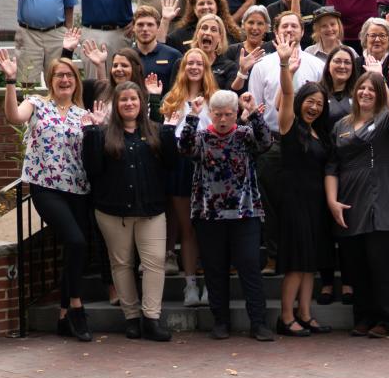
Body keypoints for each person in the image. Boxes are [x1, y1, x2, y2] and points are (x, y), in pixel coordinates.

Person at [0, 49, 91, 341]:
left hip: (79, 189)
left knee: (74, 249)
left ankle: (63, 317)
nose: (64, 79)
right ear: (50, 81)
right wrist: (11, 80)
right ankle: (76, 306)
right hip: (46, 186)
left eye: (69, 75)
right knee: (75, 241)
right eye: (58, 75)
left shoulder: (83, 115)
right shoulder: (37, 104)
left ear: (76, 81)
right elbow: (13, 116)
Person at [81, 81, 175, 342]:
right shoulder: (102, 134)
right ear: (116, 105)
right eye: (123, 100)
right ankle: (131, 317)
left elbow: (171, 161)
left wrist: (168, 128)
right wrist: (91, 132)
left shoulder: (157, 130)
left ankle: (151, 318)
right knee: (121, 264)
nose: (129, 104)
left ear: (141, 103)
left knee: (155, 262)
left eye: (134, 99)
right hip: (113, 213)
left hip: (151, 211)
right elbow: (93, 169)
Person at [177, 89, 274, 341]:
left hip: (245, 212)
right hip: (209, 214)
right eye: (217, 114)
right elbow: (184, 148)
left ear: (235, 114)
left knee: (250, 267)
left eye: (228, 114)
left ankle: (259, 322)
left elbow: (265, 142)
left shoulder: (244, 135)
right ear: (211, 114)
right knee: (214, 269)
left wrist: (252, 113)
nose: (222, 119)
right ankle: (220, 321)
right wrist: (191, 117)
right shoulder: (201, 137)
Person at [325, 63, 389, 339]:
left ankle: (387, 321)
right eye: (361, 87)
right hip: (348, 203)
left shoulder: (386, 120)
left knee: (381, 264)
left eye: (371, 89)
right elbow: (331, 167)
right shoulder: (341, 125)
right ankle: (363, 318)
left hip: (380, 200)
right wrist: (332, 202)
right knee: (355, 265)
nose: (365, 92)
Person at [273, 30, 334, 337]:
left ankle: (306, 314)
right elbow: (285, 95)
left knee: (310, 263)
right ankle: (285, 317)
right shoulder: (289, 126)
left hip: (315, 203)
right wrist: (285, 66)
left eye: (319, 104)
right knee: (296, 263)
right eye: (310, 101)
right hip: (294, 201)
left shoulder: (319, 134)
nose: (314, 107)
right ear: (300, 103)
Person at [161, 48, 220, 306]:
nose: (194, 67)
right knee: (187, 229)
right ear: (183, 68)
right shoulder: (172, 99)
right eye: (189, 63)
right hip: (181, 166)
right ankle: (190, 285)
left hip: (209, 164)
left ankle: (211, 283)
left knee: (208, 229)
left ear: (206, 68)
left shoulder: (216, 98)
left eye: (199, 63)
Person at [131, 5, 183, 97]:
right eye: (140, 25)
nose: (145, 29)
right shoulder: (126, 57)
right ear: (133, 28)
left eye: (150, 25)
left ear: (158, 27)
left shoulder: (174, 56)